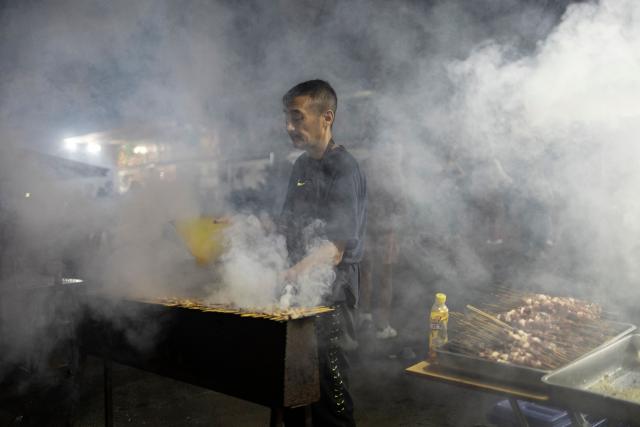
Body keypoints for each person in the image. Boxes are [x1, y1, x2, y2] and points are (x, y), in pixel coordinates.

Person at [278, 80, 366, 427]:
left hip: (333, 298)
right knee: (293, 394)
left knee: (331, 397)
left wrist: (290, 273)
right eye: (287, 118)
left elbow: (335, 248)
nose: (289, 127)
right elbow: (287, 222)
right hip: (299, 295)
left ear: (326, 117)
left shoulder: (345, 167)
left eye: (297, 118)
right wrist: (246, 224)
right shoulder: (300, 166)